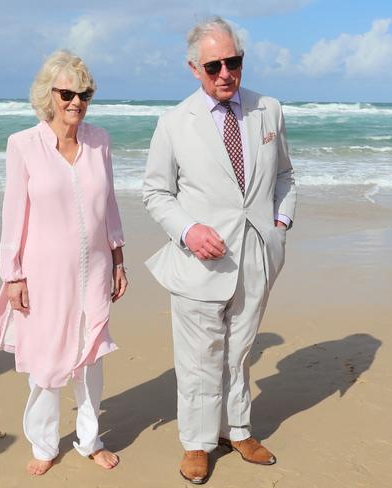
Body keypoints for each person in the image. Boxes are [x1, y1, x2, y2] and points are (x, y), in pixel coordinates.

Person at [142, 17, 296, 484]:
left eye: (234, 61)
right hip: (199, 261)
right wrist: (187, 230)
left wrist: (280, 223)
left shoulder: (268, 110)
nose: (226, 72)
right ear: (194, 68)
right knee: (199, 356)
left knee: (240, 351)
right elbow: (155, 193)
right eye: (214, 66)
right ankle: (197, 442)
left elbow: (286, 176)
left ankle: (238, 429)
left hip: (257, 255)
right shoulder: (172, 123)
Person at [0, 50, 127, 476]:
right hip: (43, 273)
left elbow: (109, 204)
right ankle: (44, 441)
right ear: (49, 95)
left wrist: (119, 257)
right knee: (45, 359)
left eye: (84, 93)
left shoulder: (100, 140)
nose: (76, 102)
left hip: (95, 269)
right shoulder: (23, 145)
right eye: (67, 93)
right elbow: (13, 213)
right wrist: (12, 274)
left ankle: (90, 439)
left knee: (90, 356)